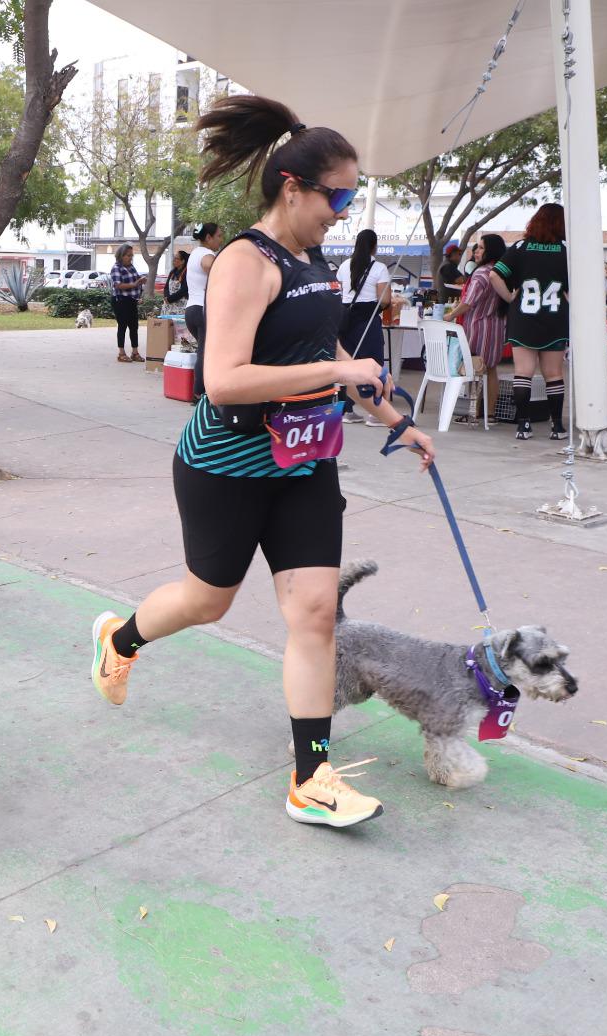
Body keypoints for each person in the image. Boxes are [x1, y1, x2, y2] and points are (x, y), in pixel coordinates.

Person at [88, 95, 436, 832]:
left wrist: (393, 417)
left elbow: (326, 350)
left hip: (304, 463)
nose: (342, 211)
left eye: (349, 196)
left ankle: (311, 779)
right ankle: (119, 640)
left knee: (314, 614)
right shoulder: (244, 262)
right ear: (292, 189)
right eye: (336, 194)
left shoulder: (312, 259)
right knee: (207, 600)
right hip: (225, 465)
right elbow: (225, 379)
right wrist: (338, 380)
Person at [490, 203, 570, 441]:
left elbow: (495, 274)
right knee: (553, 374)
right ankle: (557, 427)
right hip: (554, 318)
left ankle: (523, 426)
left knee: (523, 373)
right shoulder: (566, 249)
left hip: (523, 318)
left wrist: (509, 296)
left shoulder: (520, 247)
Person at [446, 233, 508, 419]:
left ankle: (473, 413)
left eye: (481, 248)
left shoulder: (481, 273)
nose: (476, 251)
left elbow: (468, 302)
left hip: (478, 328)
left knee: (474, 369)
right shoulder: (500, 272)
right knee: (490, 370)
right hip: (496, 328)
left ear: (490, 250)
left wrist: (450, 315)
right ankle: (488, 414)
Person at [338, 228, 395, 426]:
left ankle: (346, 410)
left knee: (348, 364)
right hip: (368, 318)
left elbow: (342, 290)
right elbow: (385, 299)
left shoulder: (345, 265)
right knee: (374, 363)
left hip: (345, 319)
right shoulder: (379, 268)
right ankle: (376, 413)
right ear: (374, 246)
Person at [183, 223, 223, 375]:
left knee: (204, 351)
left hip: (191, 310)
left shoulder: (194, 253)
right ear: (208, 237)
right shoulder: (207, 254)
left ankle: (201, 392)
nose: (221, 240)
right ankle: (199, 394)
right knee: (206, 354)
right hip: (203, 311)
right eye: (219, 236)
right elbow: (212, 267)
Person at [109, 244, 144, 362]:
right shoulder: (116, 268)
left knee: (134, 326)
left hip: (132, 300)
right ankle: (121, 353)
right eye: (128, 255)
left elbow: (137, 280)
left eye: (132, 256)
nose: (130, 258)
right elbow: (118, 285)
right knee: (122, 326)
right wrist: (134, 284)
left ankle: (135, 352)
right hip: (121, 300)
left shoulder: (131, 267)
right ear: (121, 255)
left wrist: (140, 283)